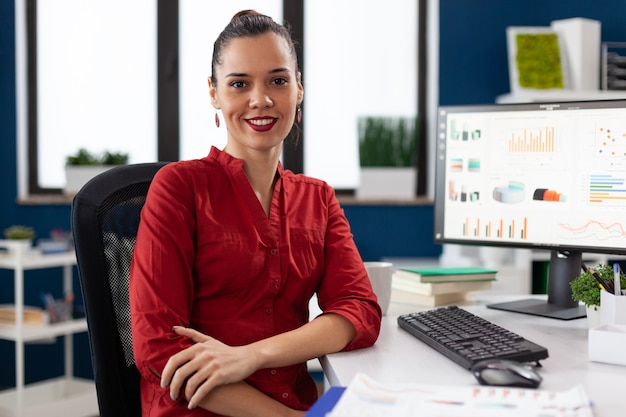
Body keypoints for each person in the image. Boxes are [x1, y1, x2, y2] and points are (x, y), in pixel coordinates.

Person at [129, 10, 382, 417]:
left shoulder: (318, 199)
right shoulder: (178, 188)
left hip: (298, 403)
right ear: (214, 93)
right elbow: (159, 348)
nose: (260, 99)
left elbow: (359, 312)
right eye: (239, 84)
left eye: (278, 81)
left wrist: (250, 356)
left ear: (299, 90)